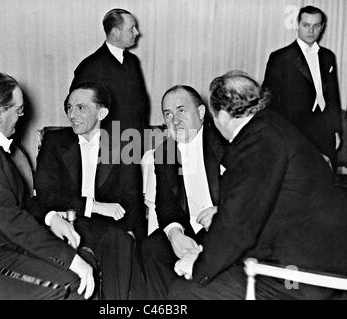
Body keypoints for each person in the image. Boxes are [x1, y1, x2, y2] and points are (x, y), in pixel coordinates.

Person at [168, 72, 347, 300]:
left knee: (185, 292)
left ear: (221, 115)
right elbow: (272, 201)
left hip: (298, 278)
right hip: (321, 261)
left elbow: (238, 227)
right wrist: (223, 214)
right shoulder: (272, 126)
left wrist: (198, 266)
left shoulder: (256, 143)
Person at [0, 72, 95, 300]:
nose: (21, 116)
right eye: (19, 110)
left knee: (78, 270)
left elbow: (20, 201)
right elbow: (13, 220)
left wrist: (51, 217)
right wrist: (73, 261)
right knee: (72, 283)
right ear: (1, 114)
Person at [35, 82, 146, 300]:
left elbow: (132, 198)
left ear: (102, 112)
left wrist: (133, 233)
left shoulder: (122, 146)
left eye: (80, 108)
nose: (72, 114)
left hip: (109, 228)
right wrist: (92, 205)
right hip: (68, 222)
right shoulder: (54, 142)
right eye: (69, 107)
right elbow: (46, 194)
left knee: (121, 242)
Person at [141, 85, 226, 299]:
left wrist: (222, 211)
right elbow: (166, 203)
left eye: (181, 110)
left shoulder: (225, 141)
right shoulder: (163, 152)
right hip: (188, 227)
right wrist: (175, 234)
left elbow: (251, 191)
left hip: (224, 226)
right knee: (152, 248)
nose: (175, 120)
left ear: (200, 113)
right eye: (168, 114)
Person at [263, 5, 342, 170]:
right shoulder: (281, 57)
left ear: (322, 27)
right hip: (295, 131)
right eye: (306, 25)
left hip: (324, 132)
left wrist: (336, 131)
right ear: (297, 25)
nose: (311, 30)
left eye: (316, 26)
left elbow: (333, 96)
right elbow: (269, 100)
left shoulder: (328, 57)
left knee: (325, 183)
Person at [69, 8, 150, 137]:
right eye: (131, 28)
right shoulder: (89, 66)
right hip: (107, 144)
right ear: (115, 33)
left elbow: (141, 104)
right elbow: (73, 106)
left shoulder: (133, 61)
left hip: (136, 142)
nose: (137, 32)